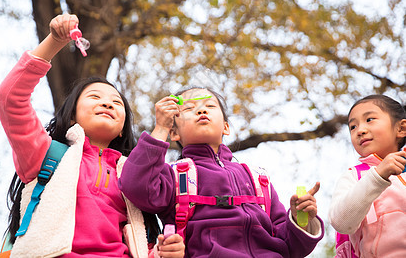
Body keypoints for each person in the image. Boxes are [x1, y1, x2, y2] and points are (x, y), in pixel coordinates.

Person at [0, 14, 184, 257]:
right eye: (95, 97)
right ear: (72, 116)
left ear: (121, 128)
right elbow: (10, 98)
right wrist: (54, 41)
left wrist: (165, 251)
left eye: (117, 103)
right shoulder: (45, 155)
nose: (107, 104)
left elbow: (142, 243)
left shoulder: (132, 175)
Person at [119, 87, 325, 257]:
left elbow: (290, 246)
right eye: (190, 108)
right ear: (174, 132)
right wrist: (160, 129)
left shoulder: (257, 179)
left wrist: (300, 220)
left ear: (226, 127)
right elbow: (135, 186)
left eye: (209, 106)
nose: (201, 111)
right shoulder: (174, 175)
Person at [329, 94, 406, 257]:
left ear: (401, 129)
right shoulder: (353, 177)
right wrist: (377, 177)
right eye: (353, 127)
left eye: (369, 119)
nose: (360, 130)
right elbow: (340, 222)